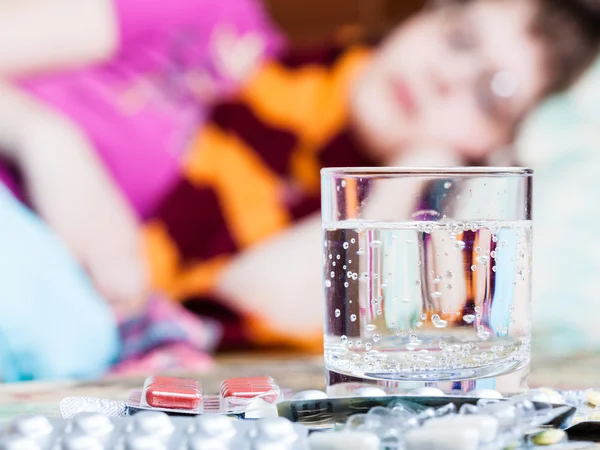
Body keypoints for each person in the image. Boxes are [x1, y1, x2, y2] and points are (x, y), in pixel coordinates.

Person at [0, 0, 599, 379]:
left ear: (497, 148)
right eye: (459, 37)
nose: (446, 76)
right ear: (422, 13)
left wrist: (419, 169)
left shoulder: (391, 232)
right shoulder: (213, 22)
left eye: (489, 96)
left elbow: (243, 317)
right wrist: (44, 138)